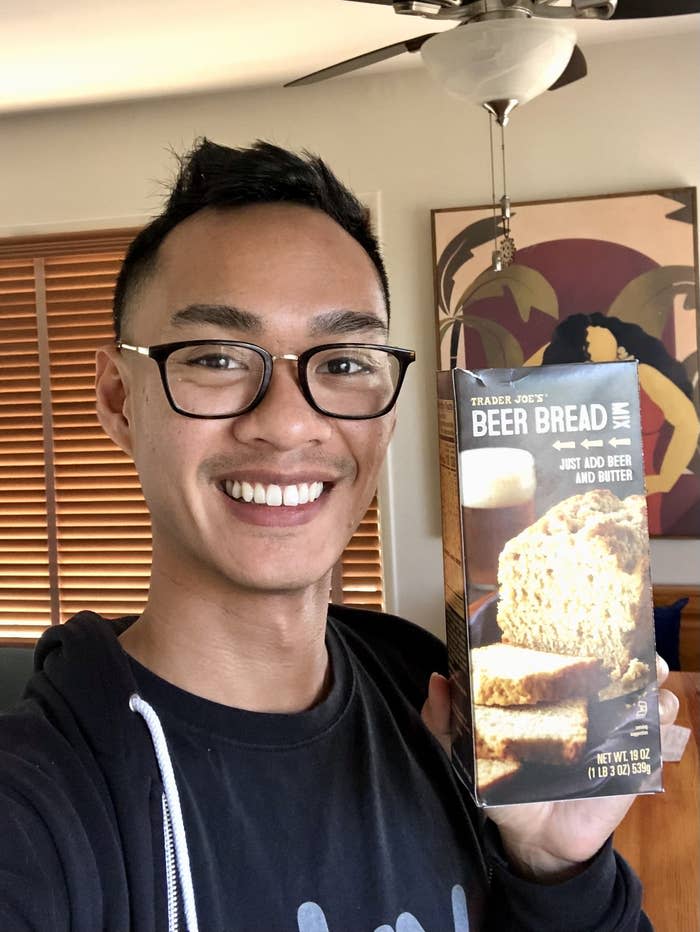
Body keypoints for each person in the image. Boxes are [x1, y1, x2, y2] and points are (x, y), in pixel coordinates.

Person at [0, 139, 678, 932]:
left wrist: (555, 865)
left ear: (388, 410)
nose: (288, 422)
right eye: (217, 356)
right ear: (119, 400)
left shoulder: (444, 705)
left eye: (346, 363)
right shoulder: (40, 809)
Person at [541, 312, 700, 534]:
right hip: (579, 502)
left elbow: (687, 422)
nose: (602, 332)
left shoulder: (643, 375)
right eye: (591, 339)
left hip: (641, 499)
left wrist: (665, 479)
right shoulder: (566, 387)